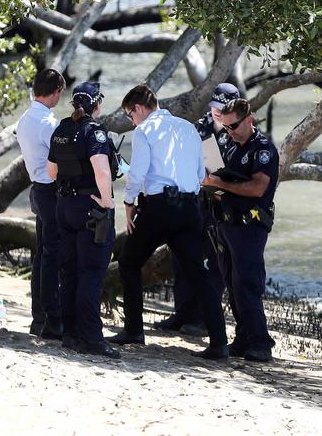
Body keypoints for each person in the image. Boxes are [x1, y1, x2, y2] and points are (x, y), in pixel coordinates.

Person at [106, 84, 228, 359]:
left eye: (129, 115)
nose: (131, 121)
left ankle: (134, 329)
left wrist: (128, 204)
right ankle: (219, 342)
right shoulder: (188, 128)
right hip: (188, 207)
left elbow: (137, 173)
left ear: (138, 108)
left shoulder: (144, 131)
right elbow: (200, 173)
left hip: (159, 208)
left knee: (128, 262)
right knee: (198, 272)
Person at [154, 83, 239, 336]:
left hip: (220, 205)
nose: (216, 111)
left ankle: (204, 319)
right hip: (192, 201)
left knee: (216, 264)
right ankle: (184, 313)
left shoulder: (238, 133)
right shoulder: (197, 128)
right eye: (214, 105)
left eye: (222, 108)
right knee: (183, 258)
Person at [47, 81, 120, 359]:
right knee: (91, 273)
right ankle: (91, 339)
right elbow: (102, 170)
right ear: (97, 104)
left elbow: (51, 171)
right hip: (91, 207)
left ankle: (71, 334)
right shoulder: (95, 132)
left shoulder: (62, 129)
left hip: (64, 206)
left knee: (70, 271)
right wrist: (108, 200)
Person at [203, 98, 279, 362]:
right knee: (232, 283)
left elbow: (257, 188)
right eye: (225, 127)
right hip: (225, 221)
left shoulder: (263, 150)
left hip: (250, 224)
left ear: (249, 119)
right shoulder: (228, 144)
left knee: (247, 283)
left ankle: (261, 342)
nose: (230, 131)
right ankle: (244, 336)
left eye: (234, 125)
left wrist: (219, 183)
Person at [16, 68, 65, 339]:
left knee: (42, 256)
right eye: (60, 92)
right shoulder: (48, 122)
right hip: (49, 190)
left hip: (38, 188)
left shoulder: (25, 119)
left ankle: (39, 317)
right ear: (55, 91)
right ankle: (49, 318)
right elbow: (61, 158)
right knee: (51, 256)